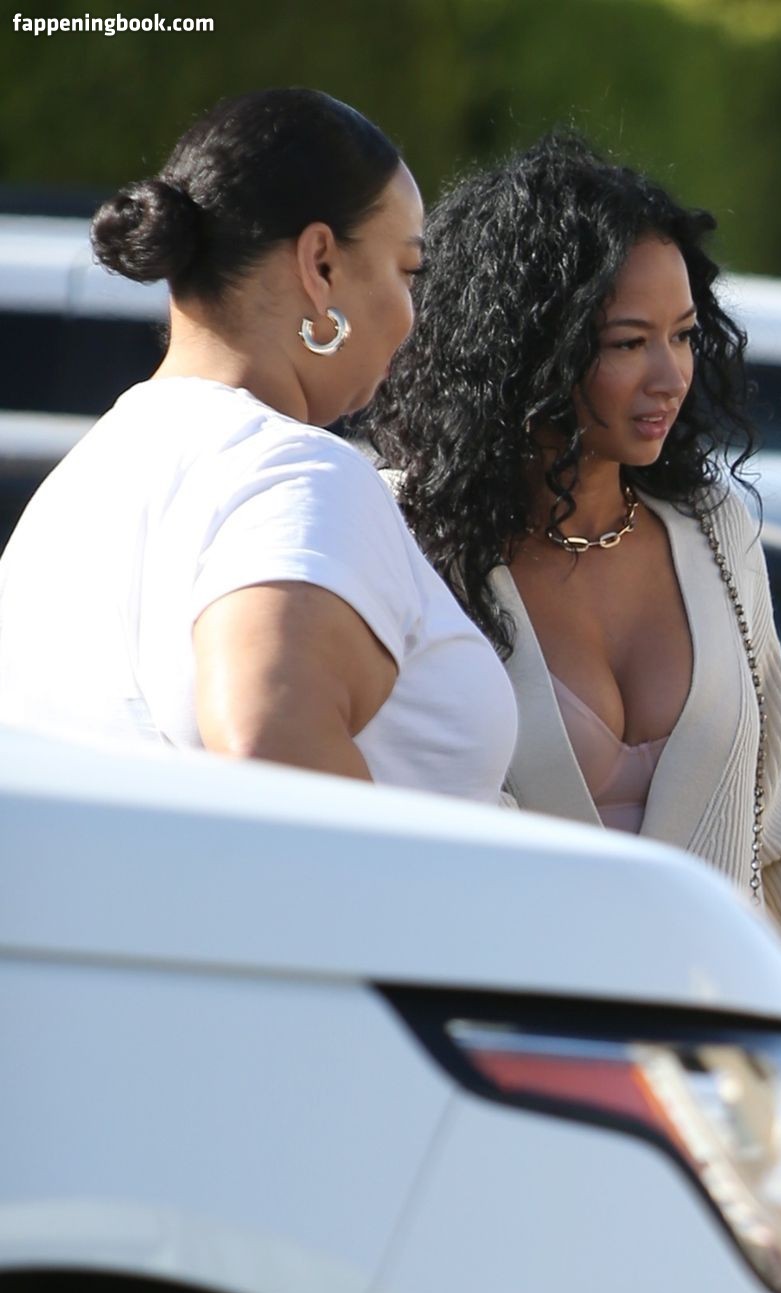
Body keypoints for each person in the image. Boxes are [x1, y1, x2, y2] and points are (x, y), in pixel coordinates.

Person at [363, 133, 781, 1067]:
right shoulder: (410, 540)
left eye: (683, 335)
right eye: (627, 343)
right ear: (532, 349)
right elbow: (406, 830)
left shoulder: (714, 530)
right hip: (513, 1074)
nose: (671, 376)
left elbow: (768, 804)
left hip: (721, 1077)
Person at [0, 89, 515, 802]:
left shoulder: (77, 484)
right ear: (320, 265)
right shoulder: (296, 473)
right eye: (407, 270)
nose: (411, 314)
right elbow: (267, 739)